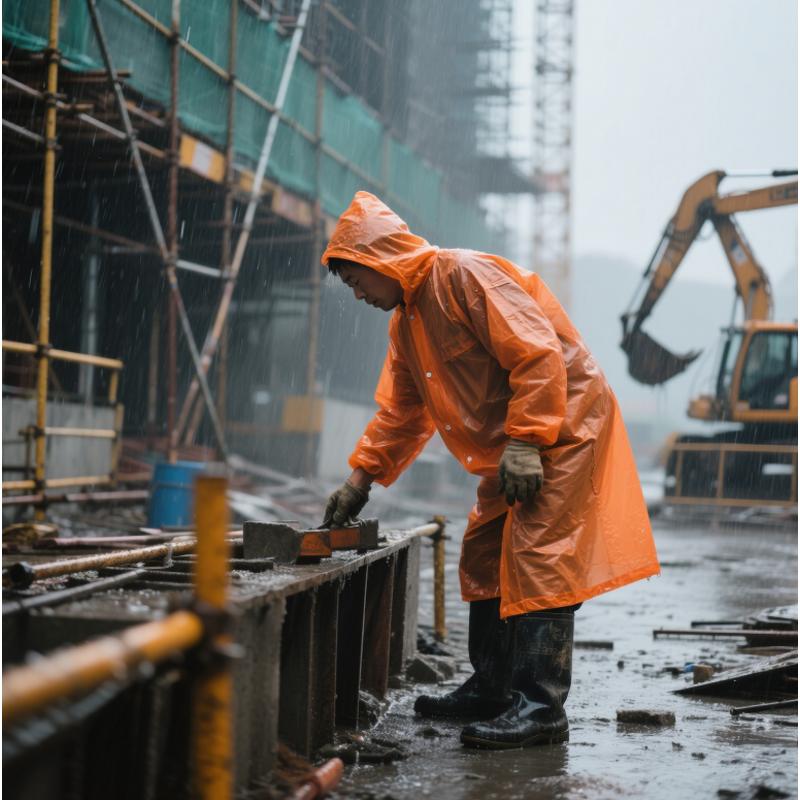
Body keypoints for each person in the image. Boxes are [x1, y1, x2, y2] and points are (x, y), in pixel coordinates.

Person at [323, 192, 660, 750]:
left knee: (540, 557)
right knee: (484, 550)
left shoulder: (463, 275)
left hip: (563, 430)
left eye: (357, 280)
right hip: (518, 443)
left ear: (381, 260)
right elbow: (402, 413)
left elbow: (536, 354)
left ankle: (540, 708)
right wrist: (359, 481)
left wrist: (528, 440)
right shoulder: (406, 324)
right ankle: (493, 686)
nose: (357, 294)